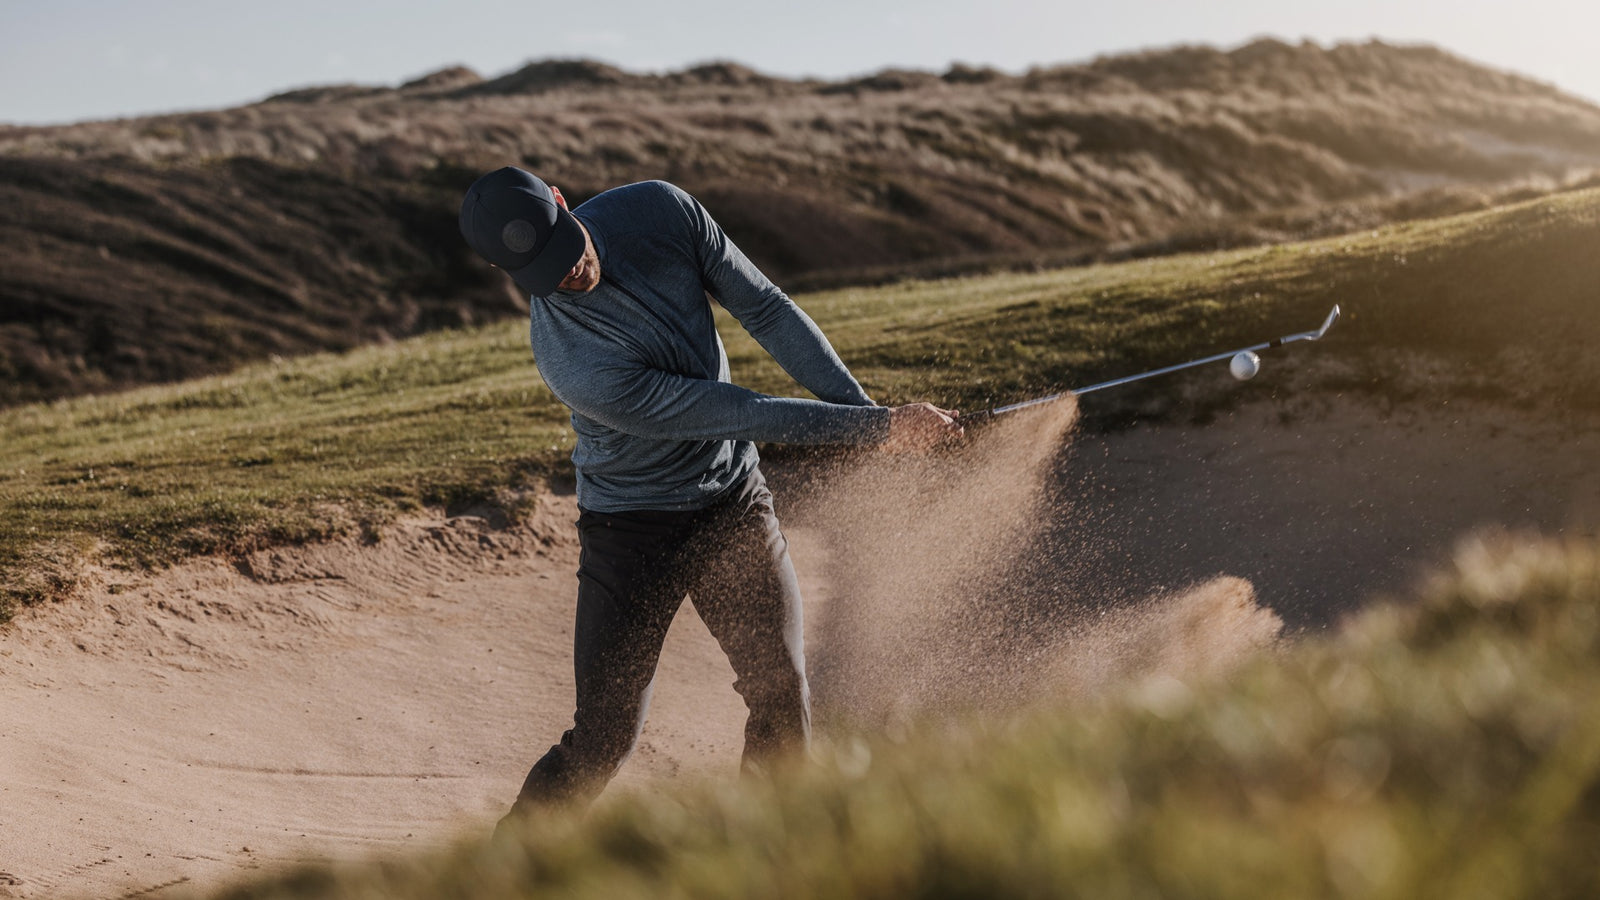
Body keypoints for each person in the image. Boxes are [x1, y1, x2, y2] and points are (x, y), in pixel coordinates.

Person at [458, 167, 961, 817]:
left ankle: (774, 859)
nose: (567, 276)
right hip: (631, 531)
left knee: (781, 692)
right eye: (542, 274)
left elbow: (767, 309)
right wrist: (878, 430)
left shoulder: (661, 213)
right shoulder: (575, 362)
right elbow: (738, 412)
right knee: (605, 738)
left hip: (731, 499)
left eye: (566, 250)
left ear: (560, 200)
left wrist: (867, 415)